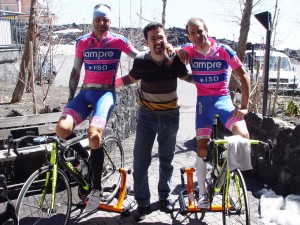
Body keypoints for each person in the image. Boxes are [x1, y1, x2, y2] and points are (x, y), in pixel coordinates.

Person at [55, 3, 139, 212]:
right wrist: (69, 97)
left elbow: (140, 57)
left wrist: (159, 58)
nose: (101, 23)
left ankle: (96, 189)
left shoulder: (119, 40)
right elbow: (75, 72)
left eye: (106, 20)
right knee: (62, 130)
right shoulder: (83, 42)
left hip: (105, 94)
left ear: (110, 22)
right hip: (84, 93)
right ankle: (85, 157)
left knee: (94, 135)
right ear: (92, 21)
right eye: (98, 19)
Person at [115, 22, 193, 221]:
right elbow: (131, 78)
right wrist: (108, 84)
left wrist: (212, 79)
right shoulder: (140, 61)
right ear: (146, 42)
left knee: (166, 161)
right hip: (146, 117)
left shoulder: (175, 59)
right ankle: (143, 203)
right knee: (141, 162)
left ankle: (164, 197)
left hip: (170, 116)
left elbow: (189, 77)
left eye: (161, 37)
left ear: (165, 37)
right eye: (153, 38)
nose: (158, 41)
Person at [178, 17, 250, 208]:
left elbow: (244, 76)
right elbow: (174, 54)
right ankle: (202, 194)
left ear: (207, 29)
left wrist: (244, 106)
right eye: (192, 33)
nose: (197, 35)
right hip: (203, 104)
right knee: (202, 147)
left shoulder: (223, 50)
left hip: (223, 101)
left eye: (199, 31)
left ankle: (223, 167)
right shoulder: (188, 50)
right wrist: (180, 51)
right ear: (188, 35)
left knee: (243, 137)